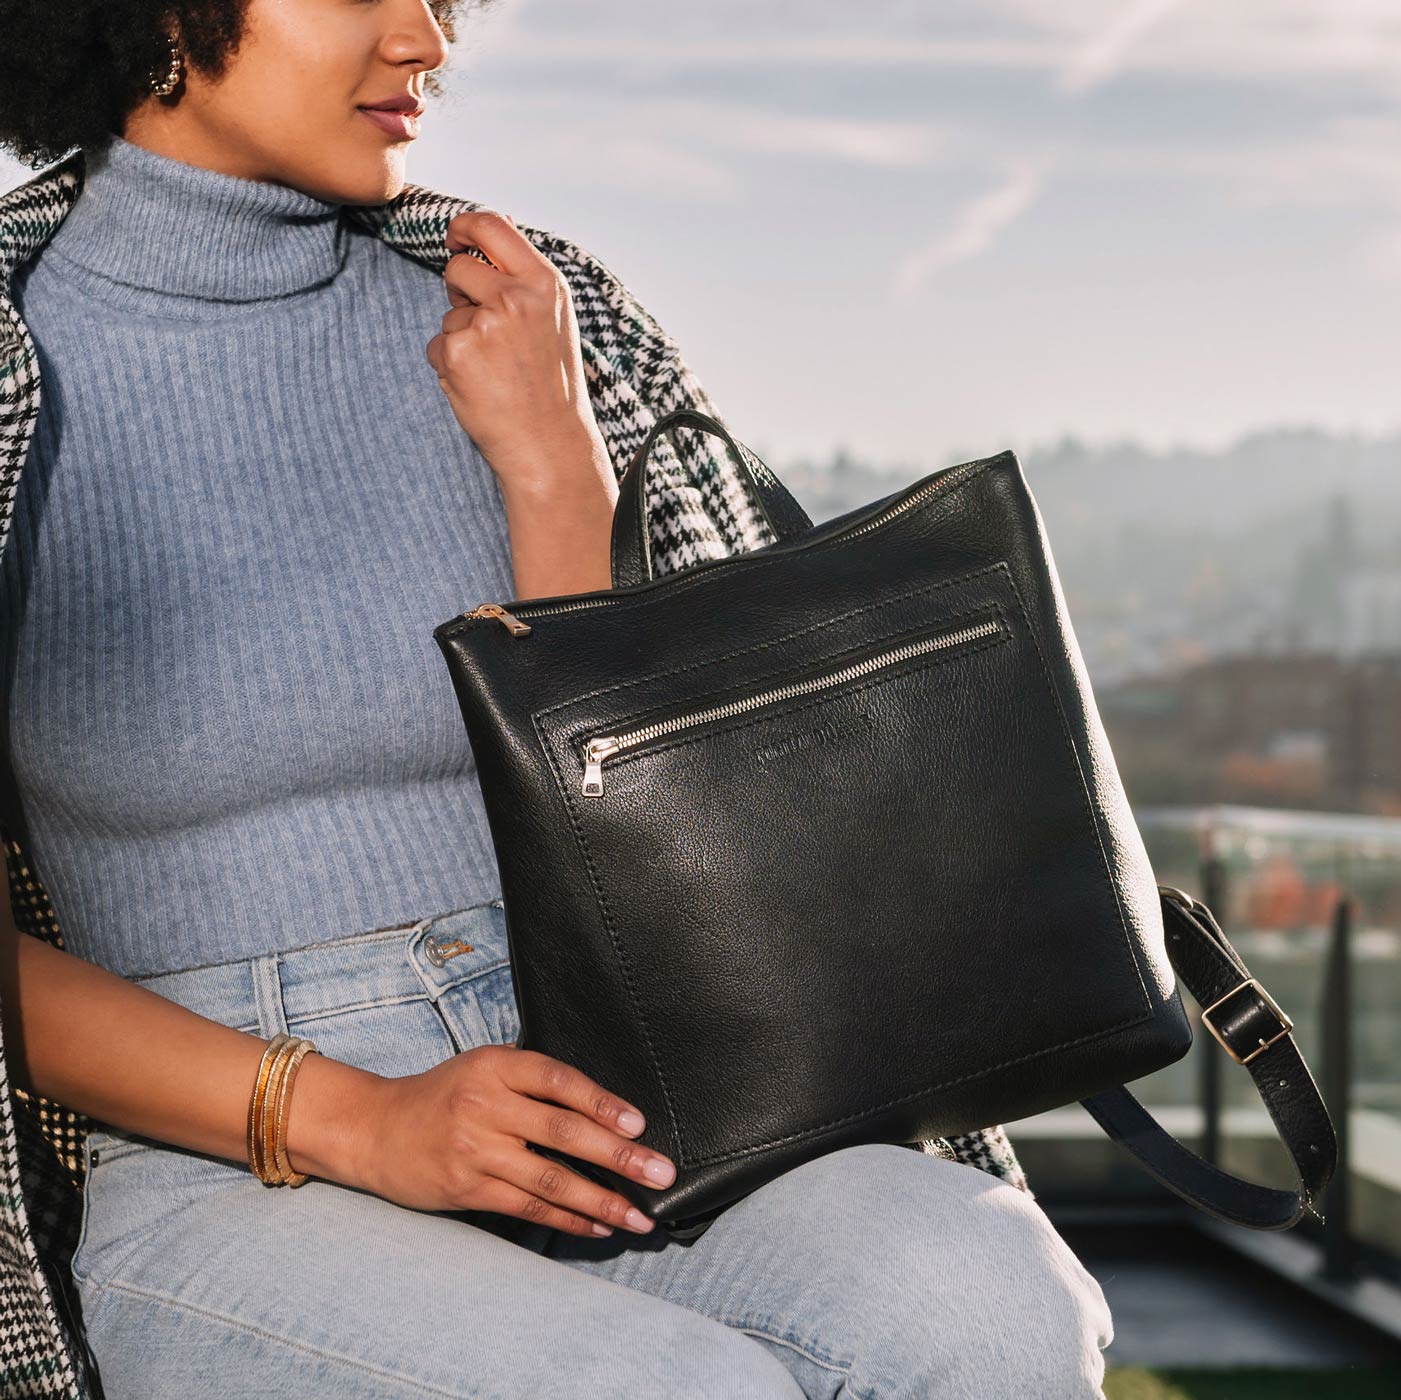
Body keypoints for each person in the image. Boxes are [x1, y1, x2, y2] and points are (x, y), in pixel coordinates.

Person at [0, 2, 1115, 1395]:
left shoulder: (527, 300)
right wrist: (358, 1121)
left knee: (993, 1306)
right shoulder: (15, 358)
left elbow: (662, 799)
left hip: (622, 1092)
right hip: (231, 1159)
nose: (424, 39)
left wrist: (552, 460)